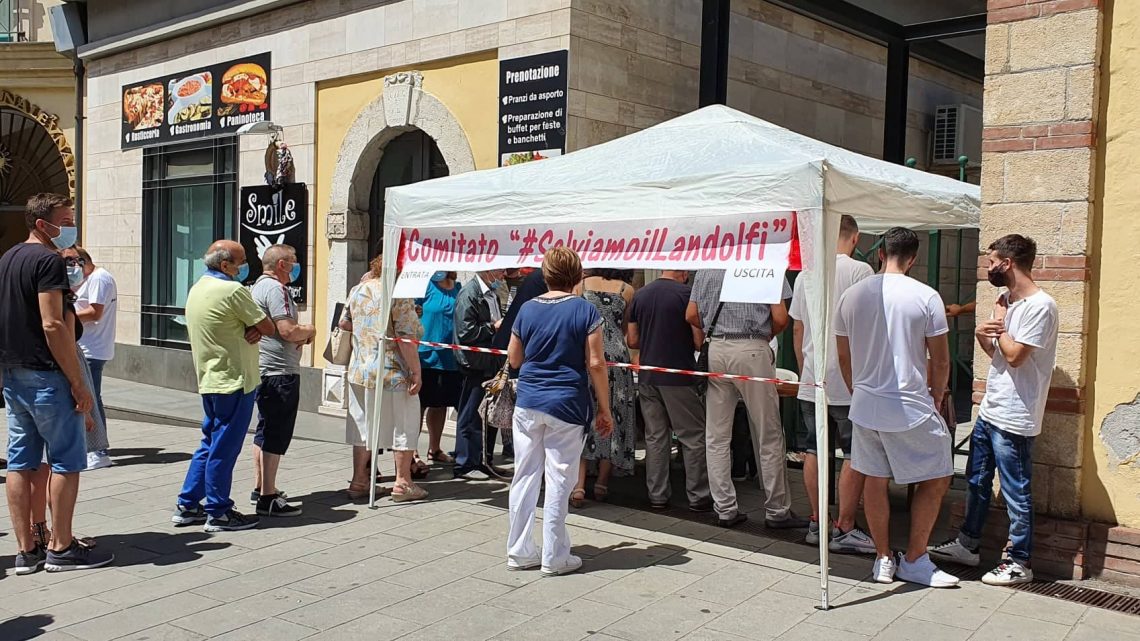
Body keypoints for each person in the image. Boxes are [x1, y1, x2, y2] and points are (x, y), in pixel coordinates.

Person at [929, 234, 1058, 586]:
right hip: (991, 408)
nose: (988, 268)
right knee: (976, 479)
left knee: (1016, 489)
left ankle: (1020, 561)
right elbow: (998, 354)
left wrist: (998, 326)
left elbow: (1016, 357)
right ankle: (968, 543)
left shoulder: (1040, 306)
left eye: (991, 261)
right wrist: (983, 334)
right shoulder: (1007, 301)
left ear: (1009, 263)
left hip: (1016, 415)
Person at [835, 226, 958, 588]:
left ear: (879, 253)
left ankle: (884, 557)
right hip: (909, 402)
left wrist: (857, 389)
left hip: (867, 402)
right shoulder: (926, 296)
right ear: (913, 258)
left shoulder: (852, 295)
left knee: (875, 476)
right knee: (938, 476)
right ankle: (916, 557)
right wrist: (937, 395)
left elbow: (844, 355)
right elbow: (941, 360)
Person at [1, 193, 113, 572]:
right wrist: (78, 382)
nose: (70, 227)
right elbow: (53, 324)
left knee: (20, 463)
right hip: (47, 374)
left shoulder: (9, 258)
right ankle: (61, 548)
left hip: (14, 374)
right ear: (42, 224)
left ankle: (26, 549)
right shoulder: (48, 260)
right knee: (66, 461)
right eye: (65, 220)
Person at [506, 247, 614, 575]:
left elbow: (514, 359)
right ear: (577, 275)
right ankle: (554, 554)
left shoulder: (527, 309)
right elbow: (596, 363)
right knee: (559, 477)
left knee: (524, 475)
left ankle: (519, 550)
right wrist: (604, 408)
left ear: (546, 274)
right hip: (567, 403)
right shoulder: (585, 311)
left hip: (528, 401)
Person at [687, 270, 805, 529]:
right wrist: (766, 335)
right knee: (768, 433)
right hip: (752, 348)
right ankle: (777, 509)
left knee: (716, 436)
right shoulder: (766, 266)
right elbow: (780, 317)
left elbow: (691, 315)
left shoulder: (707, 269)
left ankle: (725, 508)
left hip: (716, 349)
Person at [171, 240, 276, 532]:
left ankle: (188, 503)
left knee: (209, 442)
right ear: (225, 265)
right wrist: (253, 327)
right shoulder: (233, 290)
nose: (245, 267)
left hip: (210, 378)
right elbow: (268, 327)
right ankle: (218, 511)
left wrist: (248, 327)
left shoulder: (198, 287)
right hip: (235, 380)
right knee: (224, 447)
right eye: (241, 262)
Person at [789, 215, 876, 553]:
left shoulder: (805, 276)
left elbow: (797, 329)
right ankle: (845, 525)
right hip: (850, 379)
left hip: (813, 375)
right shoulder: (860, 273)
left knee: (814, 448)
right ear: (854, 238)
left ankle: (816, 519)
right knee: (854, 452)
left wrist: (804, 366)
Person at [342, 256, 427, 502]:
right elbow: (406, 336)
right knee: (405, 422)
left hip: (360, 368)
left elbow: (344, 322)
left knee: (362, 424)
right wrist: (416, 371)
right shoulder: (398, 292)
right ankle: (402, 482)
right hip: (392, 369)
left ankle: (359, 480)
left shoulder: (358, 289)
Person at [628, 269, 711, 511]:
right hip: (678, 375)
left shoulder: (641, 295)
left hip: (647, 375)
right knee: (693, 436)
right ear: (684, 272)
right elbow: (698, 341)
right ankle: (698, 496)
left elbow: (632, 340)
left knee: (655, 437)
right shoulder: (688, 294)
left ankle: (658, 495)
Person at [249, 244, 313, 517]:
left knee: (264, 430)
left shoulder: (257, 287)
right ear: (282, 265)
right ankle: (268, 497)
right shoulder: (277, 290)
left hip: (263, 369)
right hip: (280, 372)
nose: (297, 266)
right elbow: (287, 330)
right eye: (294, 261)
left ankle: (261, 485)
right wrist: (310, 330)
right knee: (276, 433)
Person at [575, 269, 636, 505]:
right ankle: (601, 482)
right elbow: (626, 331)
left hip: (589, 353)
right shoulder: (627, 290)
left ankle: (579, 485)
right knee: (615, 414)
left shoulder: (582, 285)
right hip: (617, 356)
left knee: (585, 415)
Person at [453, 268, 512, 481]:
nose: (504, 274)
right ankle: (465, 463)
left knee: (487, 414)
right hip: (475, 363)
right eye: (500, 269)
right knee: (471, 413)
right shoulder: (469, 294)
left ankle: (484, 460)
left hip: (490, 362)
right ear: (488, 270)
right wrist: (493, 327)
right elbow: (465, 332)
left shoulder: (491, 294)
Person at [68, 246, 117, 471]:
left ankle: (99, 452)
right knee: (90, 397)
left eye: (71, 265)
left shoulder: (99, 278)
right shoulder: (90, 279)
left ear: (80, 262)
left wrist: (63, 318)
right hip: (84, 347)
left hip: (92, 349)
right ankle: (92, 447)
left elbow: (95, 312)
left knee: (92, 399)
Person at [416, 270, 462, 465]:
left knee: (441, 404)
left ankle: (434, 449)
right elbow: (412, 312)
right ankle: (412, 453)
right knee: (419, 406)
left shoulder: (458, 289)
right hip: (425, 356)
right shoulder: (424, 286)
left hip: (450, 358)